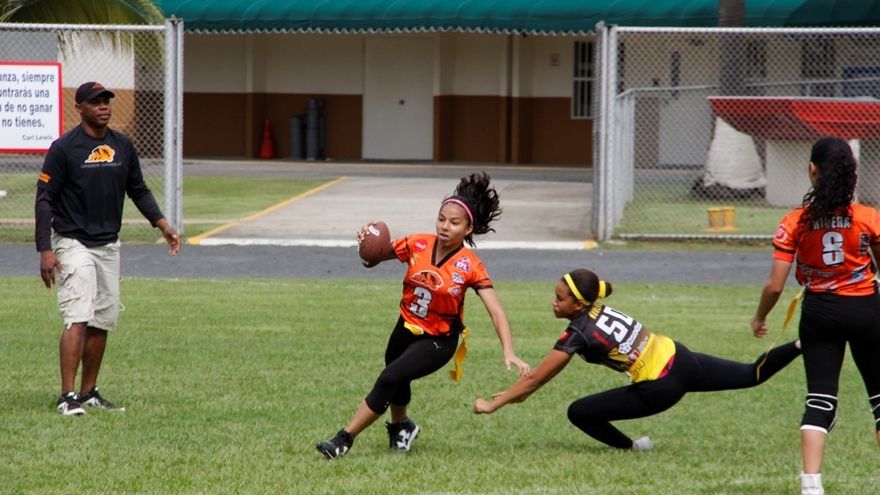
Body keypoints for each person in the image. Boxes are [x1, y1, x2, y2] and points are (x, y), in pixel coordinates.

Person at [316, 172, 530, 459]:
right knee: (398, 378)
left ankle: (343, 440)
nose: (445, 226)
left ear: (469, 228)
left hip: (438, 339)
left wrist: (508, 350)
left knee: (389, 377)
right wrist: (367, 244)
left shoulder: (470, 265)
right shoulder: (417, 243)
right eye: (441, 219)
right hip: (404, 327)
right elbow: (375, 257)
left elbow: (496, 310)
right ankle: (401, 427)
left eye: (454, 223)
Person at [474, 268, 802, 453]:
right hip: (679, 355)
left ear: (579, 305)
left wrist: (493, 405)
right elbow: (605, 290)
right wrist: (521, 393)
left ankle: (633, 447)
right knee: (751, 374)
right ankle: (803, 343)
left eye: (560, 299)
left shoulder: (578, 332)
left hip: (660, 385)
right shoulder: (597, 304)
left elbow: (537, 378)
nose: (554, 303)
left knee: (579, 412)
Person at [35, 81, 181, 416]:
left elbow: (138, 189)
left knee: (102, 319)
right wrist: (45, 249)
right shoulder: (64, 148)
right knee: (78, 315)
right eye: (95, 101)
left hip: (107, 243)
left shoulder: (122, 146)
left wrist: (162, 225)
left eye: (106, 100)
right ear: (79, 108)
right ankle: (67, 396)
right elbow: (44, 200)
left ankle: (89, 392)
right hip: (72, 241)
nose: (103, 106)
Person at [750, 136, 880, 495]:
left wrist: (760, 317)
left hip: (819, 312)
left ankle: (811, 485)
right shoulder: (868, 218)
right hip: (866, 309)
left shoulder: (794, 222)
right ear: (852, 174)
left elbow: (775, 286)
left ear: (812, 170)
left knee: (820, 400)